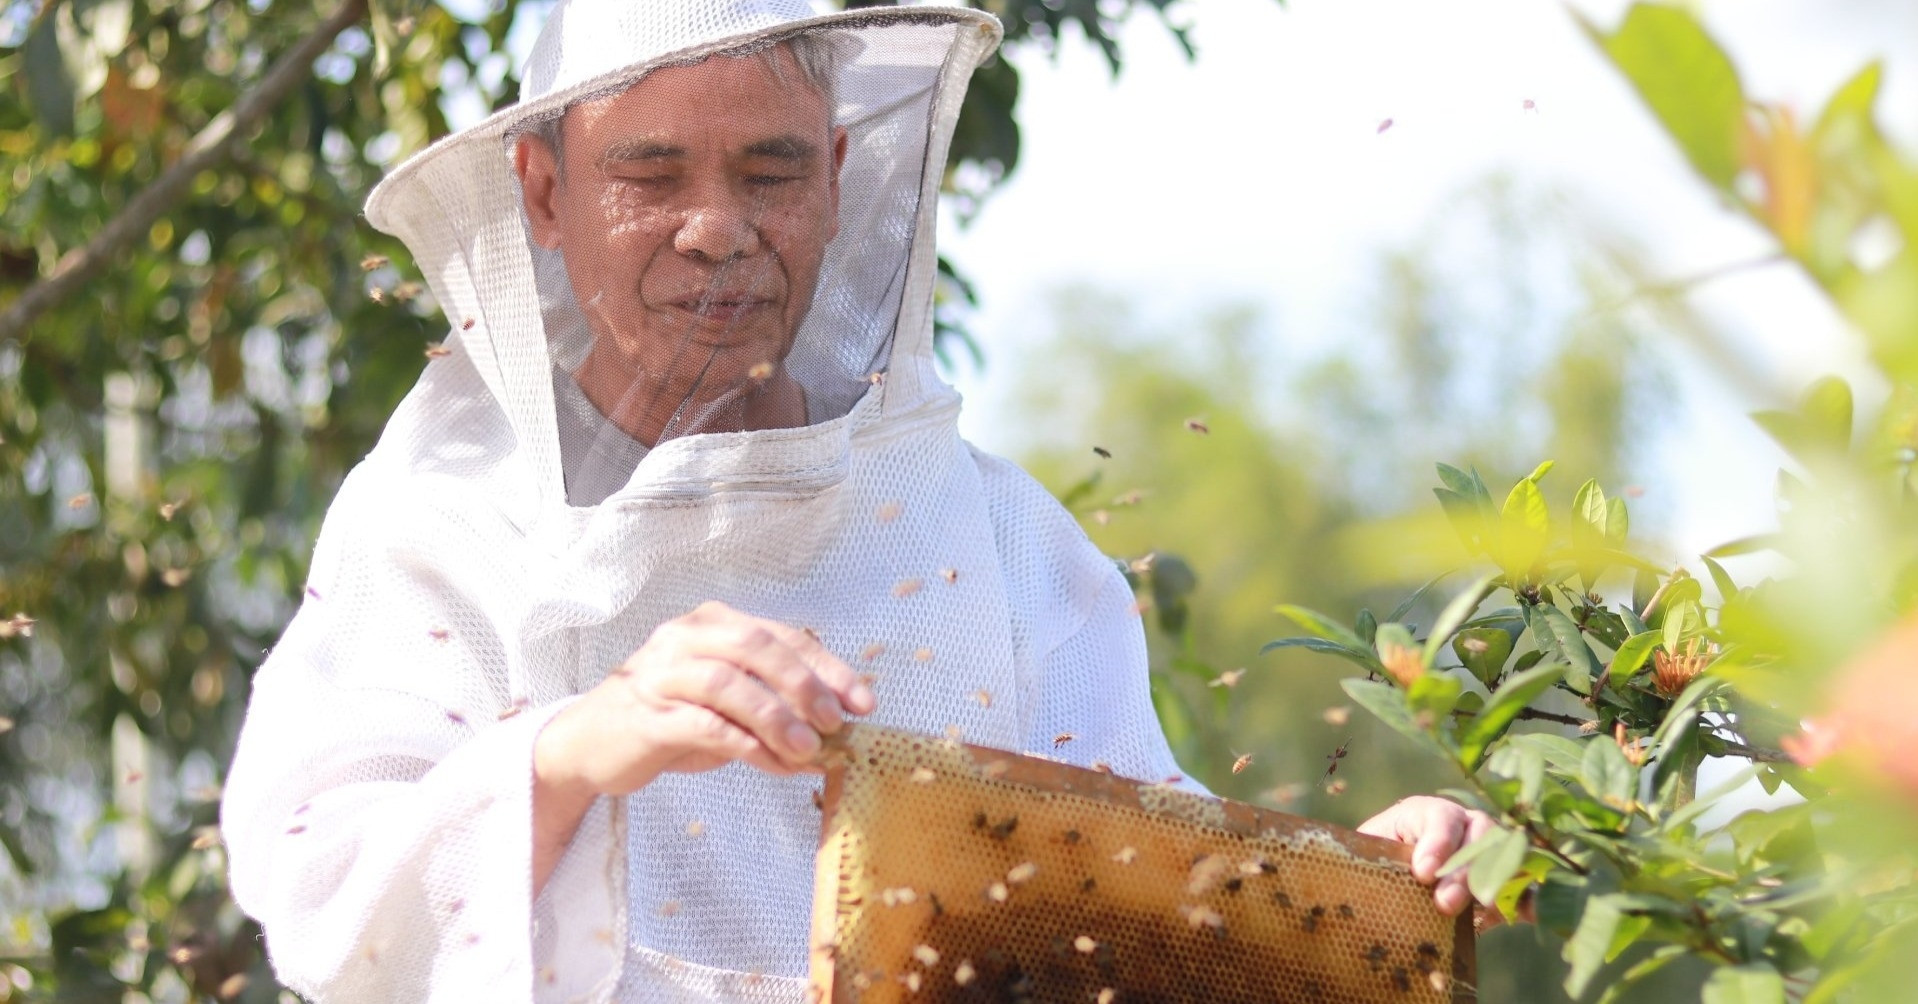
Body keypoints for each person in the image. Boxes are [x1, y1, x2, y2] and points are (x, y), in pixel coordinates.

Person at [220, 3, 1494, 1001]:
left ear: (837, 174)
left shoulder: (992, 533)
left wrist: (1361, 887)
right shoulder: (439, 525)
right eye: (650, 174)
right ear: (544, 193)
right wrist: (571, 748)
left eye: (768, 170)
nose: (715, 226)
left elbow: (1152, 911)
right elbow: (321, 889)